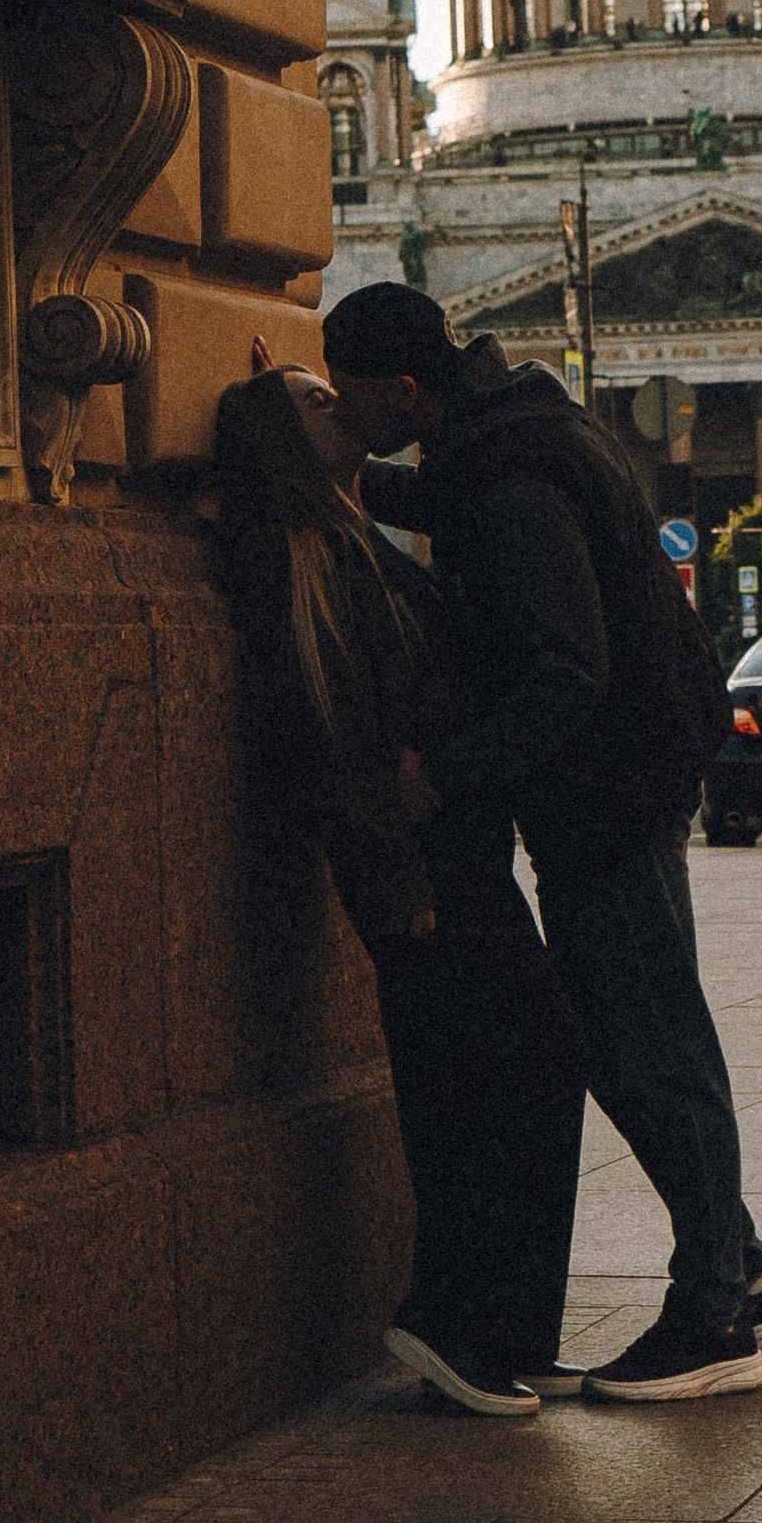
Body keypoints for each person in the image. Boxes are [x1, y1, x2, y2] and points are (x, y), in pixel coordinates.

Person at [323, 281, 762, 1403]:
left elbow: (562, 671)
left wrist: (438, 772)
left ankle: (712, 1318)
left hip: (610, 782)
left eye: (349, 399)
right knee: (627, 1029)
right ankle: (747, 1273)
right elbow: (461, 496)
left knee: (648, 1042)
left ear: (402, 388)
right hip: (629, 767)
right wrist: (348, 476)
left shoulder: (506, 474)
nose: (346, 417)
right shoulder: (511, 427)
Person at [209, 361, 588, 1418]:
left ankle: (504, 1326)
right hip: (418, 864)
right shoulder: (290, 552)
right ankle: (450, 1319)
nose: (340, 400)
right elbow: (324, 728)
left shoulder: (344, 530)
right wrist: (387, 873)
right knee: (484, 1080)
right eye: (313, 400)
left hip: (457, 848)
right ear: (280, 440)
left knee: (519, 1069)